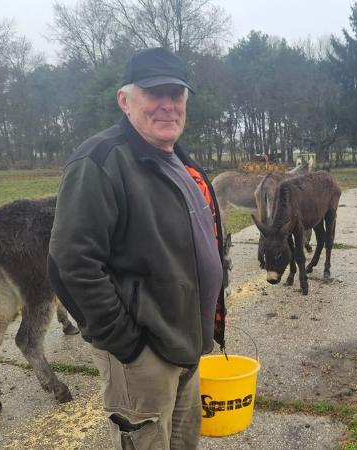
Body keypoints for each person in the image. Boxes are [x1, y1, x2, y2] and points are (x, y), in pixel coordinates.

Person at [48, 47, 226, 450]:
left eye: (176, 95)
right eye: (154, 93)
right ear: (124, 101)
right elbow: (69, 264)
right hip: (143, 354)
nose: (168, 105)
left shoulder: (178, 160)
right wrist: (127, 344)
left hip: (187, 345)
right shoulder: (100, 161)